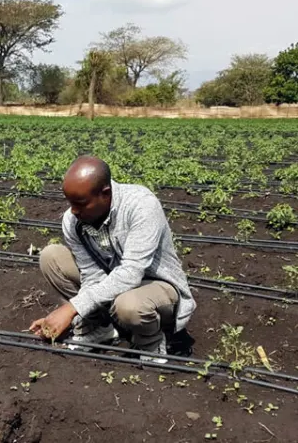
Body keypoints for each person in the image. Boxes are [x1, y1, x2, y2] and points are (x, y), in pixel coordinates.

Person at [30, 155, 196, 363]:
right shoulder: (73, 220)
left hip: (156, 286)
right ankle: (100, 328)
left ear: (105, 193)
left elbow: (131, 273)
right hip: (113, 282)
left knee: (128, 304)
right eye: (70, 203)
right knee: (51, 257)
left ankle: (151, 343)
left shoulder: (141, 205)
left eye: (80, 203)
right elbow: (91, 273)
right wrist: (80, 314)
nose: (73, 211)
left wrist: (72, 308)